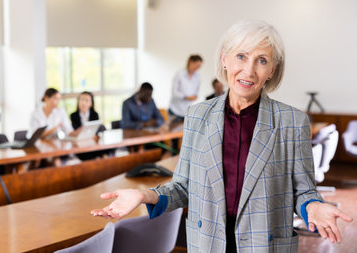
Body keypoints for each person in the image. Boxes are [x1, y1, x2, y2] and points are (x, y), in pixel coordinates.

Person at [91, 20, 353, 252]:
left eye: (262, 60)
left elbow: (303, 191)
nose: (249, 71)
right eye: (241, 56)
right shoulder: (197, 116)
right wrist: (144, 195)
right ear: (225, 58)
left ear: (272, 70)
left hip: (266, 244)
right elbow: (183, 187)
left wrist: (312, 206)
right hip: (208, 242)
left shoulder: (292, 121)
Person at [168, 54, 203, 122]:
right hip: (175, 111)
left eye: (199, 66)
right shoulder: (179, 74)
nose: (198, 68)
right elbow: (174, 92)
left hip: (187, 112)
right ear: (191, 62)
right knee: (174, 132)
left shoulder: (198, 77)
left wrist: (195, 96)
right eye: (197, 65)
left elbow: (197, 92)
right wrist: (186, 97)